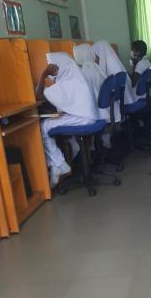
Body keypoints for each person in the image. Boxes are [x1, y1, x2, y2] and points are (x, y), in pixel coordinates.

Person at [36, 52, 98, 188]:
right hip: (89, 117)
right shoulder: (75, 76)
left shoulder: (66, 82)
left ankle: (60, 164)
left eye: (52, 66)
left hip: (83, 119)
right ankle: (61, 162)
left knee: (43, 125)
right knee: (53, 121)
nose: (51, 69)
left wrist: (44, 74)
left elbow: (39, 95)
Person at [73, 43, 116, 148]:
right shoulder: (95, 66)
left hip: (97, 111)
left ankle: (86, 149)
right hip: (106, 110)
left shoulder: (85, 70)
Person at [92, 40, 135, 104]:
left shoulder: (109, 68)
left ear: (100, 53)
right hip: (126, 98)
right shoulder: (114, 62)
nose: (94, 58)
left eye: (95, 55)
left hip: (120, 102)